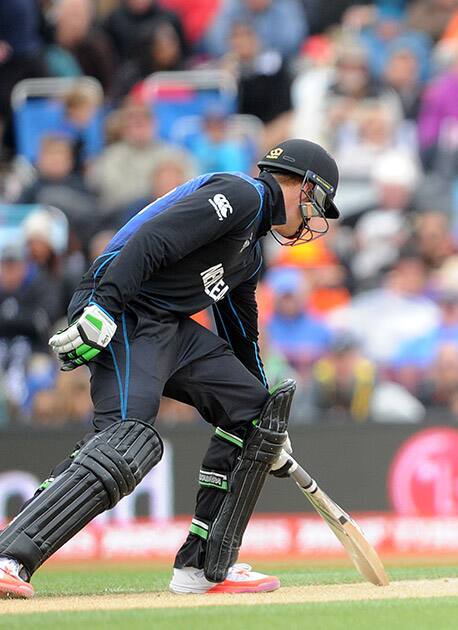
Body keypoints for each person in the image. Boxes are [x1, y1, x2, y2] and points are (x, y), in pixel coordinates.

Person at [0, 138, 342, 599]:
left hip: (166, 326)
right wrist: (102, 307)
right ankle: (10, 556)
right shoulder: (242, 195)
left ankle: (203, 567)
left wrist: (268, 435)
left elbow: (242, 337)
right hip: (123, 308)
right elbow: (150, 240)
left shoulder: (250, 254)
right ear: (300, 185)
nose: (313, 217)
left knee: (253, 410)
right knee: (126, 443)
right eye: (317, 202)